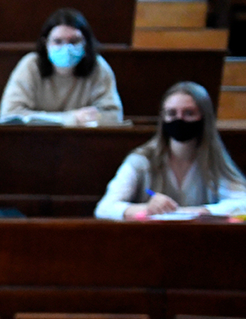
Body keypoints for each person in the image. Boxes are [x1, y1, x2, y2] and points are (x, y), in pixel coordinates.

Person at [95, 81, 246, 219]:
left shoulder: (213, 159)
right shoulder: (142, 159)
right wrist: (146, 208)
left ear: (204, 117)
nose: (179, 119)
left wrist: (203, 211)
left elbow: (242, 203)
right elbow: (104, 208)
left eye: (188, 113)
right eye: (171, 113)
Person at [0, 8, 123, 127]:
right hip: (35, 141)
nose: (66, 48)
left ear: (85, 43)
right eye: (58, 41)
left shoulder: (98, 67)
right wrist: (70, 119)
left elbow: (114, 116)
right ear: (45, 43)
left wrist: (96, 119)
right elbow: (9, 114)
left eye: (74, 41)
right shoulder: (30, 65)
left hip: (83, 142)